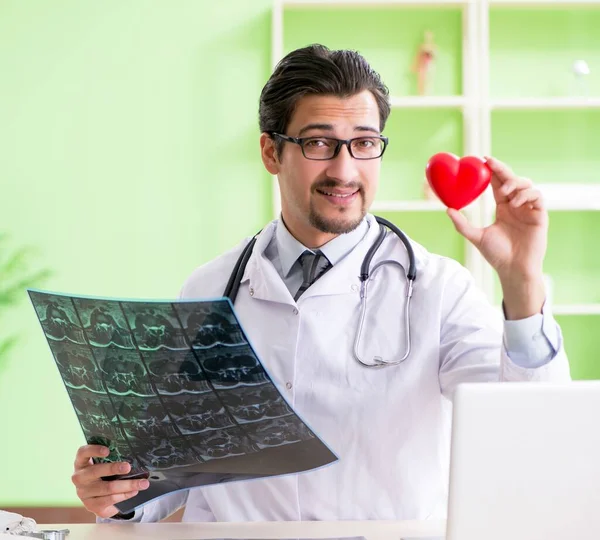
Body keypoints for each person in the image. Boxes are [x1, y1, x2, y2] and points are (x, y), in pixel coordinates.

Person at [72, 44, 571, 522]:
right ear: (271, 152)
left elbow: (530, 430)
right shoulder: (210, 287)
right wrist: (117, 491)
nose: (344, 169)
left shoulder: (438, 289)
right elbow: (170, 467)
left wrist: (521, 280)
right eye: (317, 142)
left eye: (364, 143)